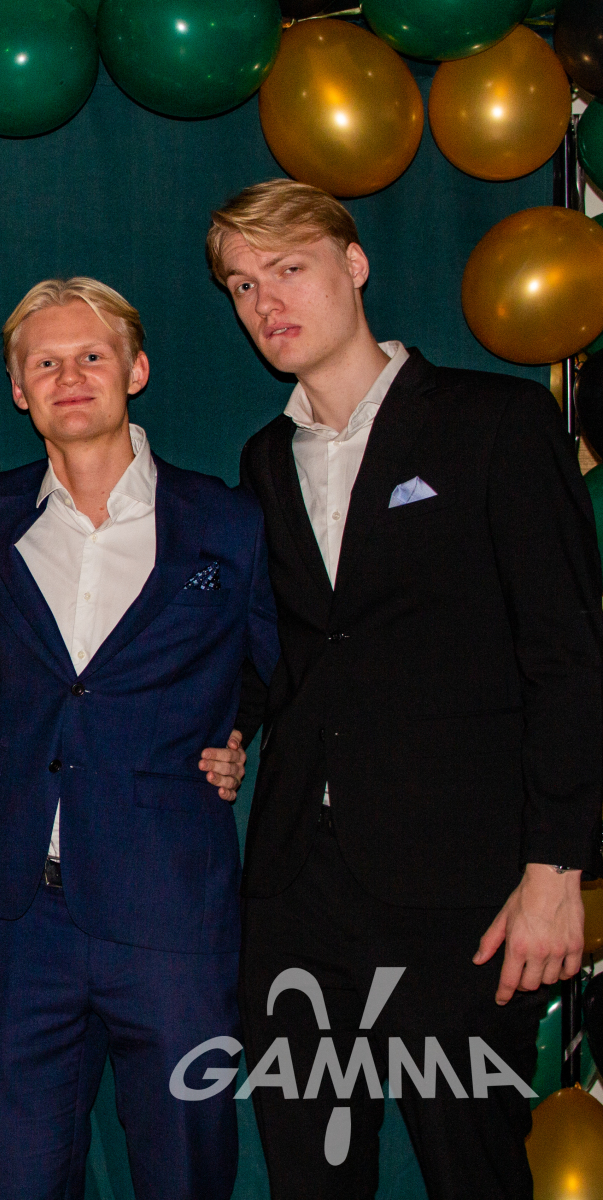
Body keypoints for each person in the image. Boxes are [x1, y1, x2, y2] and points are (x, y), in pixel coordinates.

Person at [213, 180, 603, 1196]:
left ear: (354, 264)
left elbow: (568, 657)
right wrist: (232, 730)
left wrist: (556, 869)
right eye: (243, 285)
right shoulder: (264, 460)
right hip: (297, 887)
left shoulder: (497, 422)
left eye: (287, 268)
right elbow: (290, 649)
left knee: (473, 1169)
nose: (266, 301)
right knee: (311, 1174)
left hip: (461, 887)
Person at [0, 278, 274, 1199]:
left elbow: (282, 661)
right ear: (18, 389)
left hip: (172, 914)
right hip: (21, 919)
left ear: (135, 370)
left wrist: (238, 725)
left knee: (186, 1173)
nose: (70, 377)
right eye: (45, 363)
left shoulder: (226, 521)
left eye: (91, 356)